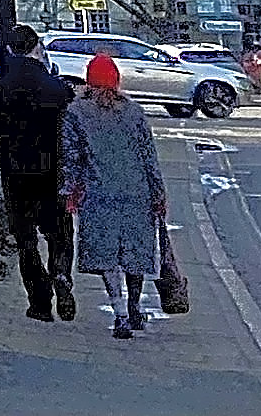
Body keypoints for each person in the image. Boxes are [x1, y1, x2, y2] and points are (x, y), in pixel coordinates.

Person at [64, 49, 172, 338]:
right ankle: (135, 306)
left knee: (107, 256)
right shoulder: (134, 112)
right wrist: (158, 192)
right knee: (134, 254)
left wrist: (67, 190)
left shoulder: (76, 113)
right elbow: (149, 156)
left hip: (99, 193)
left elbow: (72, 156)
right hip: (137, 192)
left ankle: (120, 313)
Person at [0, 25, 75, 320]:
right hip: (52, 171)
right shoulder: (57, 88)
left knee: (25, 239)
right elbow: (71, 131)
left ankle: (40, 302)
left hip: (15, 171)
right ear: (36, 47)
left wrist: (9, 138)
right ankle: (61, 272)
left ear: (11, 49)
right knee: (59, 233)